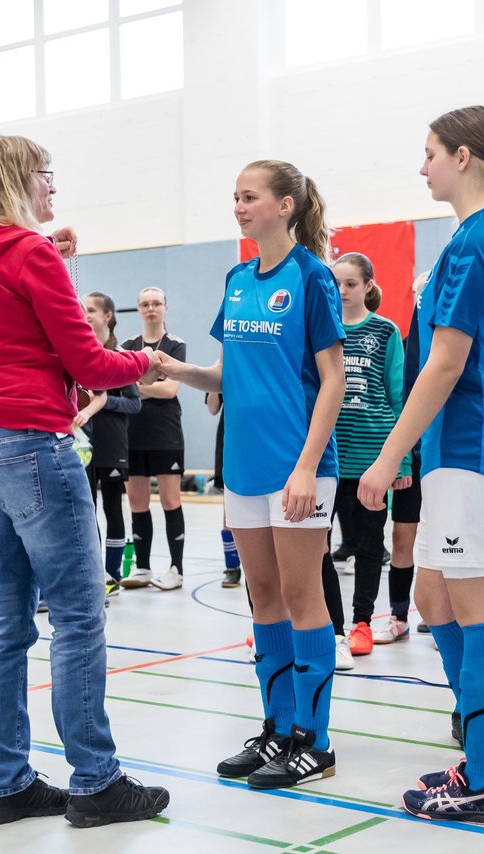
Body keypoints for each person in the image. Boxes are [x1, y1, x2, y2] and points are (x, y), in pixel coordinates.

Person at [0, 134, 168, 827]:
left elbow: (4, 307)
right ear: (14, 180)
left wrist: (50, 255)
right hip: (32, 442)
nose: (53, 190)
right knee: (76, 617)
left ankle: (4, 784)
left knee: (4, 623)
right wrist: (144, 361)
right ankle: (97, 781)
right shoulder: (28, 253)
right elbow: (90, 363)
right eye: (45, 176)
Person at [358, 104, 484, 825]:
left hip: (471, 443)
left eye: (430, 151)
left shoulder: (479, 241)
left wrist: (386, 456)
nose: (423, 165)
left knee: (476, 605)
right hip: (461, 448)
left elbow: (444, 362)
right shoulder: (478, 238)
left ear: (464, 156)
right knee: (436, 603)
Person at [155, 158, 346, 790]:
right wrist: (178, 373)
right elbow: (227, 375)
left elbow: (334, 380)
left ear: (286, 205)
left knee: (301, 596)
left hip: (298, 468)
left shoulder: (312, 277)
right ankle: (277, 729)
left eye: (251, 196)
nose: (240, 207)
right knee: (262, 598)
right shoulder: (238, 278)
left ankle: (313, 742)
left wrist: (307, 467)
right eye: (235, 197)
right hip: (243, 467)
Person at [329, 252, 409, 655]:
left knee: (369, 546)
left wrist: (402, 460)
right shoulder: (321, 330)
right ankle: (331, 625)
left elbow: (398, 398)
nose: (342, 291)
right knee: (316, 544)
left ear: (368, 286)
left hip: (371, 461)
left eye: (350, 284)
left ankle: (361, 623)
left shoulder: (385, 331)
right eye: (337, 284)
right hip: (326, 459)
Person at [120, 287, 187, 591]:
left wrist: (138, 386)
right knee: (137, 502)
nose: (151, 308)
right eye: (145, 303)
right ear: (138, 309)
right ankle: (144, 567)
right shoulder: (127, 347)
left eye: (156, 303)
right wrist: (149, 385)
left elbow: (170, 389)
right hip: (133, 433)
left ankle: (176, 568)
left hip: (165, 433)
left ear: (166, 307)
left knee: (171, 500)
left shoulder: (175, 345)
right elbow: (122, 386)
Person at [80, 292, 142, 598]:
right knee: (86, 509)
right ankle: (90, 574)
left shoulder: (118, 355)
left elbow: (134, 404)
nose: (86, 314)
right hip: (83, 445)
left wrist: (102, 403)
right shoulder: (77, 352)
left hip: (113, 444)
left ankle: (113, 574)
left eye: (92, 310)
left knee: (112, 508)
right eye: (83, 310)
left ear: (108, 316)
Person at [206, 391, 242, 587]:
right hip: (230, 438)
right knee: (229, 509)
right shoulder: (226, 365)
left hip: (259, 435)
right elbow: (212, 408)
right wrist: (215, 384)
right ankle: (232, 566)